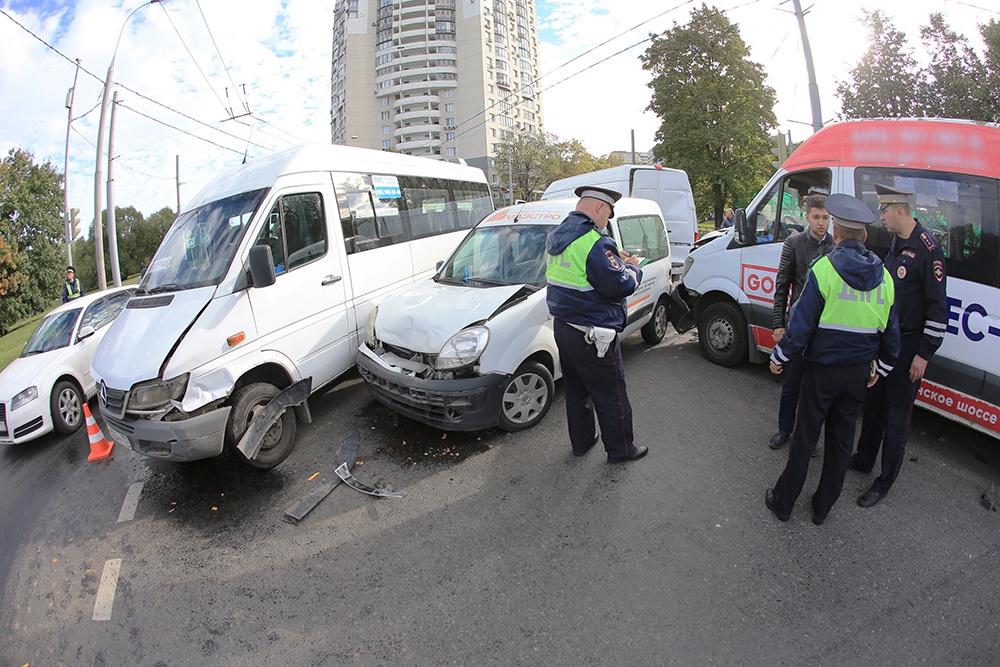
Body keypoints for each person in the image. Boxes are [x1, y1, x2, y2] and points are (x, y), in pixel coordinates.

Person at [765, 193, 900, 525]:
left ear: (836, 232)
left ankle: (784, 504)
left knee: (806, 437)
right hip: (858, 376)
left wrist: (779, 356)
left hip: (822, 371)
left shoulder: (824, 269)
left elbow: (801, 324)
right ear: (865, 236)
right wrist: (880, 369)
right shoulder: (885, 278)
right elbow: (892, 335)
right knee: (841, 443)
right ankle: (822, 508)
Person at [849, 183, 948, 508]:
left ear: (899, 211)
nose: (881, 216)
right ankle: (864, 458)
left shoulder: (927, 249)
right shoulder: (898, 242)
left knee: (896, 418)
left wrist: (924, 353)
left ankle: (884, 480)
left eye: (884, 210)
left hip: (909, 348)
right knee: (874, 404)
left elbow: (937, 310)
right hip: (886, 342)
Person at [545, 185, 647, 463]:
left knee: (577, 392)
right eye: (609, 214)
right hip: (593, 335)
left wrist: (615, 261)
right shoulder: (594, 241)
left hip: (564, 328)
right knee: (611, 395)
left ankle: (582, 442)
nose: (607, 221)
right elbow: (619, 285)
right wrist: (634, 268)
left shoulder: (557, 235)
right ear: (600, 208)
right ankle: (622, 450)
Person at [768, 194, 835, 450]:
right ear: (807, 217)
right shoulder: (794, 243)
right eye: (816, 217)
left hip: (823, 329)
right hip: (796, 325)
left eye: (826, 218)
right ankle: (784, 429)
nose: (821, 223)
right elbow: (782, 285)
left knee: (816, 390)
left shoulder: (834, 246)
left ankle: (808, 437)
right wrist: (778, 324)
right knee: (791, 384)